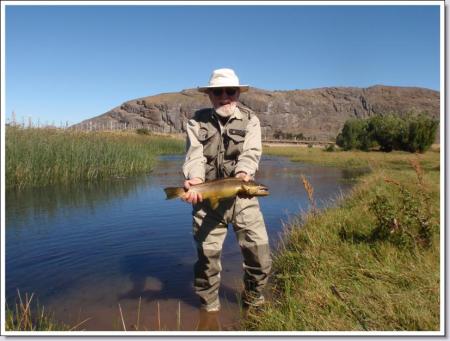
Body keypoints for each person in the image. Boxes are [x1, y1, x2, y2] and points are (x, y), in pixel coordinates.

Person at [181, 68, 272, 313]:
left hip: (243, 198)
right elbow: (194, 156)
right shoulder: (195, 122)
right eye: (217, 92)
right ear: (209, 95)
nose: (224, 96)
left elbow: (251, 153)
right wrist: (195, 181)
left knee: (260, 258)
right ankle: (208, 311)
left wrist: (243, 176)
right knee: (207, 261)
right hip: (207, 197)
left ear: (238, 93)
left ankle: (253, 301)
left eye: (230, 91)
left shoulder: (251, 119)